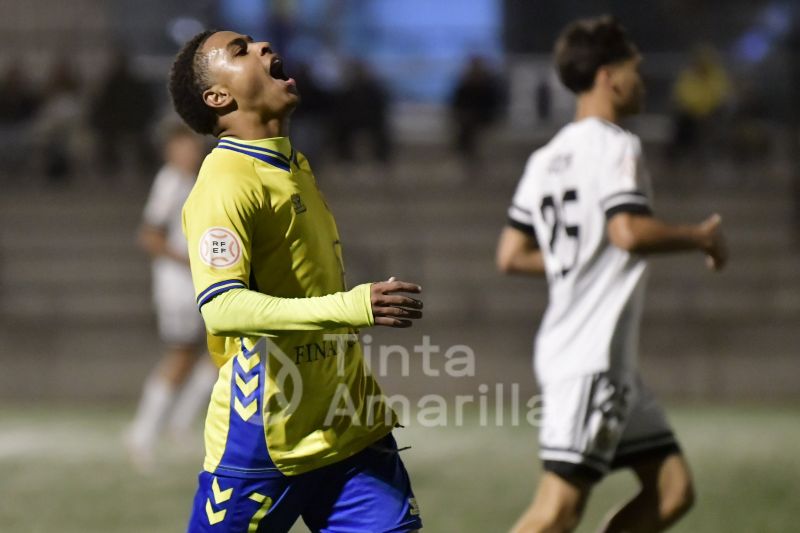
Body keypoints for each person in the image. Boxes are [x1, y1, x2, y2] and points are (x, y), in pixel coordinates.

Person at [168, 30, 423, 532]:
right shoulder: (224, 183)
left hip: (350, 424)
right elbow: (221, 308)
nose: (261, 46)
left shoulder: (294, 166)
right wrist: (353, 307)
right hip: (266, 438)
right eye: (240, 50)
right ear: (218, 97)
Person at [496, 16, 727, 533]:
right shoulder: (618, 145)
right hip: (591, 357)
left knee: (672, 489)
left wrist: (572, 261)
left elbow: (510, 254)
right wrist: (700, 236)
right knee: (556, 510)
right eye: (635, 69)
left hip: (599, 358)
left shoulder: (545, 158)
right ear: (609, 76)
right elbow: (626, 232)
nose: (641, 80)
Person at [125, 123, 217, 471]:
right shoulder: (170, 182)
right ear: (170, 151)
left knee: (218, 351)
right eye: (183, 147)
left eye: (192, 146)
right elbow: (149, 236)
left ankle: (179, 424)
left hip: (194, 285)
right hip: (178, 287)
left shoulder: (192, 181)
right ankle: (142, 433)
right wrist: (193, 262)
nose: (190, 153)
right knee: (180, 357)